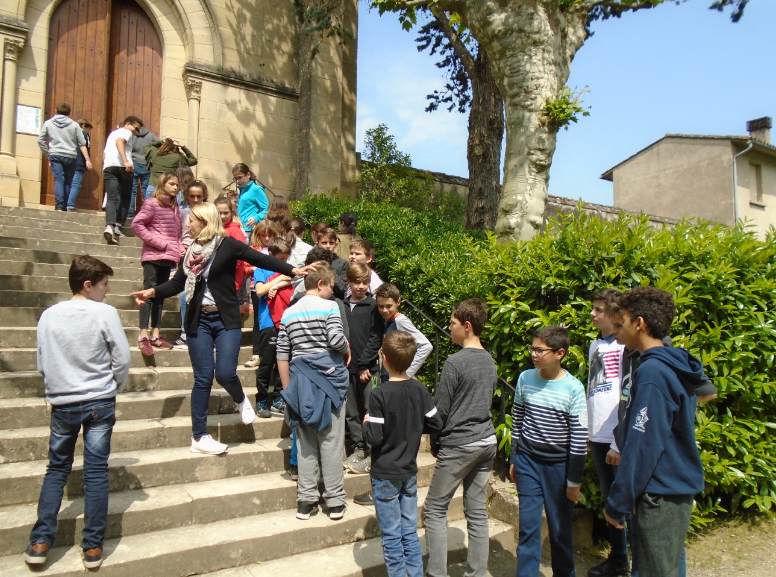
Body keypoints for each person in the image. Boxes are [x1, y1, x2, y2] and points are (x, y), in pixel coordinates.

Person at [131, 203, 310, 455]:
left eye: (191, 220)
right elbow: (176, 284)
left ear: (204, 223)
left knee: (225, 373)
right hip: (198, 321)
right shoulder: (189, 252)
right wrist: (152, 292)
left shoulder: (227, 245)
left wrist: (293, 270)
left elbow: (261, 258)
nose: (187, 224)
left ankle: (239, 399)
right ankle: (199, 436)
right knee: (203, 378)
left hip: (225, 319)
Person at [24, 256, 130, 569]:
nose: (107, 290)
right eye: (104, 284)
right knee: (96, 472)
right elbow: (122, 359)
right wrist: (114, 386)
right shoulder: (105, 313)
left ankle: (41, 541)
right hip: (99, 400)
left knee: (57, 469)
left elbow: (42, 361)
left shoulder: (49, 315)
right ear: (88, 285)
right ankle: (93, 548)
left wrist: (57, 385)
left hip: (62, 402)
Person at [604, 288, 706, 577]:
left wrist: (619, 500)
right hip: (668, 490)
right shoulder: (671, 363)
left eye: (620, 323)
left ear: (640, 323)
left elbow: (643, 443)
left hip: (659, 493)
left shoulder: (653, 373)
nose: (616, 330)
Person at [424, 299, 498, 577]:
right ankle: (477, 573)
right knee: (477, 511)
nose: (449, 328)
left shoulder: (454, 362)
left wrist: (435, 440)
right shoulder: (489, 359)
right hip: (486, 442)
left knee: (434, 509)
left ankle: (436, 573)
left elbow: (441, 410)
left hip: (460, 444)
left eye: (452, 324)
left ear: (467, 327)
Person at [363, 330, 443, 577]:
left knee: (391, 535)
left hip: (385, 473)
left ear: (383, 358)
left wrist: (367, 423)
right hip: (408, 471)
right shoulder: (419, 390)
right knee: (409, 531)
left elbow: (375, 438)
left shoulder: (379, 394)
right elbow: (436, 423)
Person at [509, 325, 587, 577]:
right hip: (528, 463)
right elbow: (517, 420)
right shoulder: (525, 378)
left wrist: (573, 481)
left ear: (560, 353)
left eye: (540, 350)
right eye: (532, 348)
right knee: (528, 529)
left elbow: (578, 438)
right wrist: (515, 458)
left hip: (559, 468)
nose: (533, 354)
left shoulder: (573, 389)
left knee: (560, 528)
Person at [278, 262, 350, 521]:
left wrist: (288, 390)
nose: (333, 293)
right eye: (332, 287)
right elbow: (335, 339)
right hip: (330, 383)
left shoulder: (288, 313)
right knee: (331, 442)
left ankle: (306, 501)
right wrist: (346, 349)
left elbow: (282, 354)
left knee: (305, 443)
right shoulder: (330, 307)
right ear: (320, 284)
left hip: (300, 383)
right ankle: (335, 502)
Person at [585, 289, 628, 577]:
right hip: (597, 435)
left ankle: (635, 562)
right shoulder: (593, 345)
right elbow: (593, 388)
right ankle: (619, 559)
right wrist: (589, 432)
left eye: (598, 310)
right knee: (610, 499)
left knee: (626, 500)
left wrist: (618, 440)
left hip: (616, 438)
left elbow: (628, 394)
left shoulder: (625, 346)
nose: (592, 313)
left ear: (612, 314)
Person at [131, 172, 182, 356]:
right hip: (153, 256)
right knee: (148, 294)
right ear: (162, 184)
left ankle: (156, 335)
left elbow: (175, 233)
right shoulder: (152, 203)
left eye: (177, 184)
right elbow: (137, 225)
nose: (175, 187)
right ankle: (143, 335)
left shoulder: (174, 205)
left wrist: (177, 248)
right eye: (172, 184)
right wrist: (161, 243)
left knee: (160, 296)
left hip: (168, 257)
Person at [342, 264, 385, 475]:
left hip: (367, 370)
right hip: (347, 369)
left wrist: (364, 365)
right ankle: (358, 448)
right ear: (348, 282)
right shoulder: (341, 306)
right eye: (357, 282)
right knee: (352, 412)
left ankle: (371, 452)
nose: (361, 286)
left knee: (370, 410)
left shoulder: (373, 306)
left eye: (365, 283)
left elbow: (375, 338)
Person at [253, 238, 294, 418]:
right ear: (270, 255)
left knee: (283, 362)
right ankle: (261, 399)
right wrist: (276, 282)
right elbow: (260, 291)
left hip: (285, 321)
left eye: (286, 259)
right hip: (268, 322)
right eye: (280, 259)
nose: (284, 263)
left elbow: (293, 279)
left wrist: (278, 284)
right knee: (267, 363)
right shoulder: (261, 270)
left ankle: (279, 399)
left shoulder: (287, 269)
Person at [37, 102, 92, 212]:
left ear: (56, 111)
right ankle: (67, 205)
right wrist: (87, 159)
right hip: (70, 155)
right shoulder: (74, 125)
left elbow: (40, 140)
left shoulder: (48, 123)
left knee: (59, 179)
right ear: (69, 113)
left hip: (55, 154)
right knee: (68, 181)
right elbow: (82, 143)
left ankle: (59, 206)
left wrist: (48, 154)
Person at [374, 283, 432, 383]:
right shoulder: (388, 321)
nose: (385, 310)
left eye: (389, 306)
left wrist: (407, 374)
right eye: (381, 306)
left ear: (398, 302)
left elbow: (426, 346)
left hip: (395, 380)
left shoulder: (400, 321)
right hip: (387, 378)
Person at [244, 220, 283, 368]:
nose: (266, 239)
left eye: (270, 235)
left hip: (277, 287)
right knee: (257, 321)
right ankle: (257, 353)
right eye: (263, 236)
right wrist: (254, 269)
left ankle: (273, 352)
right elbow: (244, 268)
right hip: (257, 288)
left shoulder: (278, 248)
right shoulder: (254, 249)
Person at [176, 180, 209, 349]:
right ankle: (184, 331)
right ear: (187, 197)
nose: (195, 199)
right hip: (186, 254)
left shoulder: (209, 213)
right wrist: (180, 248)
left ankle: (191, 331)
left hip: (204, 254)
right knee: (184, 294)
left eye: (199, 196)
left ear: (204, 196)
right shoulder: (182, 213)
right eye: (192, 196)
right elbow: (176, 235)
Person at [103, 116, 143, 245]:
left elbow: (104, 154)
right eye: (136, 128)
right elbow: (120, 142)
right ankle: (118, 225)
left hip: (109, 166)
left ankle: (109, 226)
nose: (136, 132)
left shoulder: (111, 134)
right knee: (126, 196)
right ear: (128, 124)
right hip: (123, 167)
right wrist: (125, 161)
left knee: (111, 198)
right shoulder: (126, 132)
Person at [128, 124, 158, 219]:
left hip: (134, 164)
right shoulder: (151, 136)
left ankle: (130, 213)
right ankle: (148, 214)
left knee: (132, 190)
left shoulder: (131, 135)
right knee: (146, 189)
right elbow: (161, 144)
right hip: (146, 165)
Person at [233, 163, 269, 240]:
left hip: (249, 230)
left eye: (240, 177)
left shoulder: (257, 190)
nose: (237, 181)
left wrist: (256, 218)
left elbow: (267, 209)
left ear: (248, 175)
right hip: (240, 229)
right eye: (235, 178)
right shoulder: (242, 191)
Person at [315, 227, 349, 299]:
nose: (328, 246)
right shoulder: (313, 262)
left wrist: (329, 268)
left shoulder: (343, 264)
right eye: (324, 243)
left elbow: (343, 289)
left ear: (336, 245)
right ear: (317, 244)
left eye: (331, 243)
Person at [68, 118, 93, 212]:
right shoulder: (83, 134)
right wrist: (87, 160)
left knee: (68, 183)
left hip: (70, 161)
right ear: (83, 126)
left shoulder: (71, 133)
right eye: (88, 129)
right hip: (79, 162)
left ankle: (63, 204)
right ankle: (70, 205)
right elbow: (83, 147)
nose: (89, 131)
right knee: (76, 184)